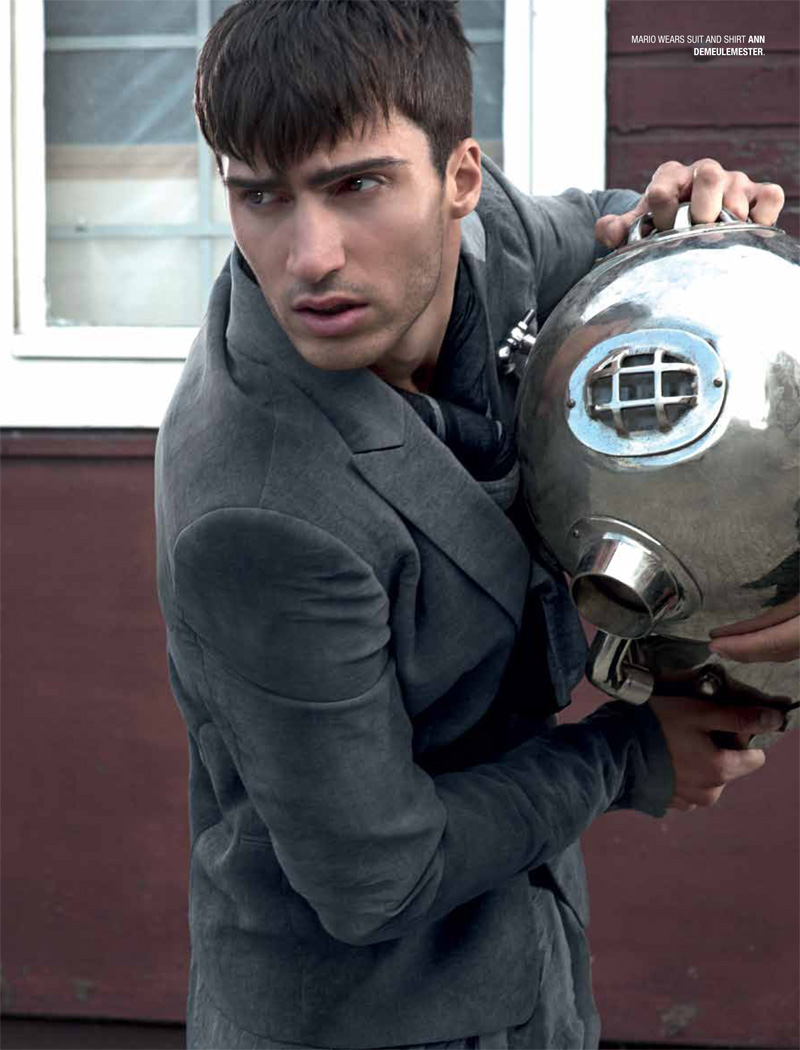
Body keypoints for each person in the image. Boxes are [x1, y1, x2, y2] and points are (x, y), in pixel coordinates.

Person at [154, 3, 796, 1048]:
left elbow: (604, 237)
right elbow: (376, 876)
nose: (309, 256)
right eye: (259, 195)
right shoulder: (257, 511)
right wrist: (626, 756)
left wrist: (694, 241)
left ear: (459, 178)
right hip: (361, 1016)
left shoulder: (492, 242)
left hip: (534, 961)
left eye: (356, 185)